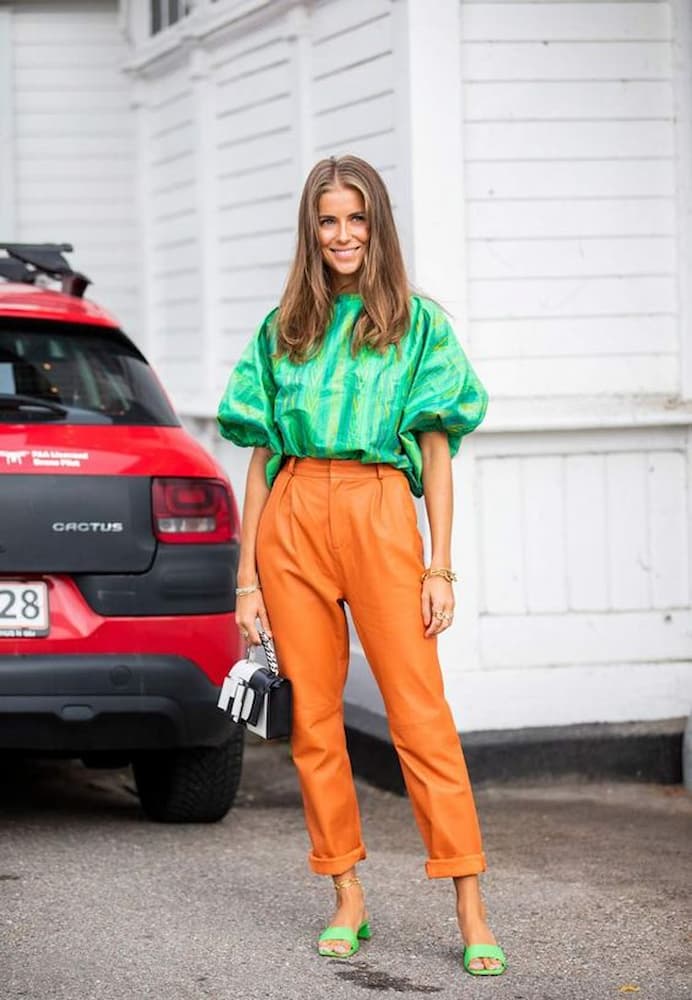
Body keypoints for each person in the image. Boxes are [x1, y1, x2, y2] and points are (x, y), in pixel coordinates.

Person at [217, 155, 506, 977]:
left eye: (356, 219)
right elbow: (263, 457)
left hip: (382, 512)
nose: (342, 235)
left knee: (420, 715)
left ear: (377, 225)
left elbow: (439, 453)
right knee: (314, 723)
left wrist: (439, 566)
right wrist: (247, 581)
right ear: (311, 230)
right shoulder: (286, 329)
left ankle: (469, 902)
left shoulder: (419, 326)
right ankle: (346, 895)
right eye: (327, 220)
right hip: (294, 515)